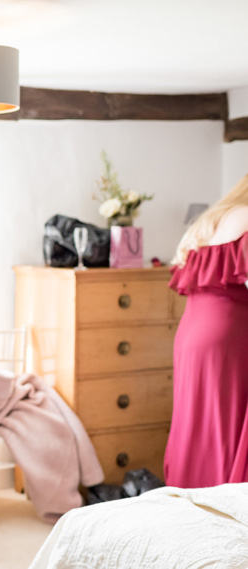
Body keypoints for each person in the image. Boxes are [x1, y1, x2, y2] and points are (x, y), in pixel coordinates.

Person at [166, 174, 248, 488]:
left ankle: (191, 497)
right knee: (224, 425)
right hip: (228, 333)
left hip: (192, 333)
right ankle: (223, 500)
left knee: (195, 423)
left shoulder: (210, 220)